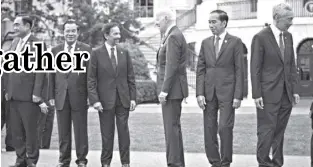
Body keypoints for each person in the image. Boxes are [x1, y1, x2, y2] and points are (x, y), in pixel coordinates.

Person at [250, 3, 300, 167]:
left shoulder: (288, 36)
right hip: (267, 94)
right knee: (266, 131)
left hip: (286, 95)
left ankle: (277, 163)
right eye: (289, 19)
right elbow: (255, 68)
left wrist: (295, 90)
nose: (291, 22)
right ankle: (264, 163)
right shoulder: (260, 37)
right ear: (277, 18)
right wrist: (256, 94)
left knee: (280, 132)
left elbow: (291, 65)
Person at [196, 10, 244, 167]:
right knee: (209, 130)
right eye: (209, 22)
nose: (211, 25)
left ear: (224, 23)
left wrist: (238, 95)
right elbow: (200, 69)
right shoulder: (205, 43)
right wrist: (199, 93)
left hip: (228, 94)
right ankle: (214, 162)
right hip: (208, 93)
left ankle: (225, 162)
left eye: (214, 22)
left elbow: (239, 70)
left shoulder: (235, 42)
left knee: (224, 128)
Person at [87, 22, 136, 167]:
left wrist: (133, 98)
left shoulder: (124, 53)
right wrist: (95, 101)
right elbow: (91, 80)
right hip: (104, 102)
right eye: (115, 34)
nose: (118, 36)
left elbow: (130, 78)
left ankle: (125, 163)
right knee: (107, 135)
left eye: (119, 33)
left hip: (123, 100)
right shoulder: (96, 53)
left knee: (124, 134)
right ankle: (105, 163)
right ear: (106, 35)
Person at [5, 15, 49, 167]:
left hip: (30, 96)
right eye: (14, 25)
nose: (14, 28)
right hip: (13, 95)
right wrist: (7, 90)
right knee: (16, 132)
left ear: (28, 26)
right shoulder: (15, 42)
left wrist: (37, 93)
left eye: (18, 25)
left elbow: (41, 70)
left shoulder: (38, 44)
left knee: (30, 131)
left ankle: (31, 161)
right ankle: (20, 160)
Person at [49, 19, 91, 167]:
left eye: (73, 31)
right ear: (63, 32)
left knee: (80, 130)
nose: (70, 34)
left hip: (79, 96)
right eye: (68, 30)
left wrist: (90, 97)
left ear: (78, 32)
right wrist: (51, 96)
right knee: (63, 131)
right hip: (61, 96)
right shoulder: (55, 51)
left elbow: (90, 76)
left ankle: (81, 160)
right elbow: (51, 75)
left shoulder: (86, 50)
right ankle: (63, 160)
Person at [155, 8, 189, 167]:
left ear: (166, 19)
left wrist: (164, 90)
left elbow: (171, 65)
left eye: (158, 20)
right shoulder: (170, 35)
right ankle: (176, 162)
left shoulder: (173, 36)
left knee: (171, 129)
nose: (156, 23)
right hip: (173, 91)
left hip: (172, 91)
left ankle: (174, 163)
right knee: (173, 128)